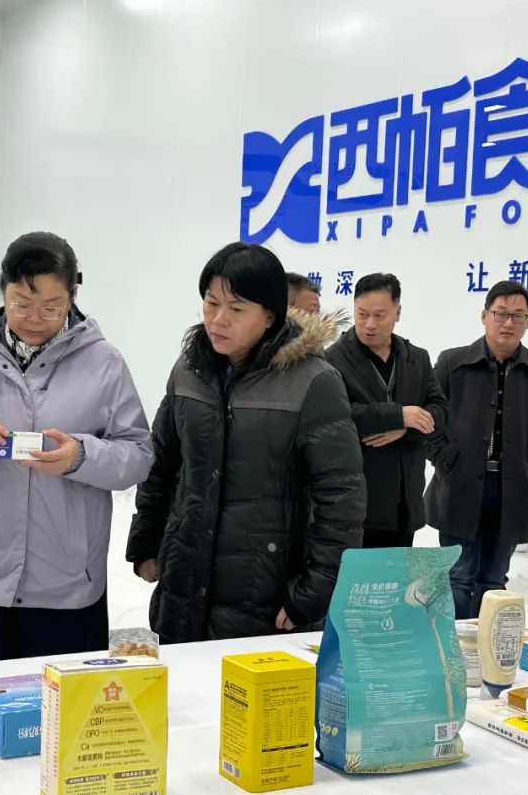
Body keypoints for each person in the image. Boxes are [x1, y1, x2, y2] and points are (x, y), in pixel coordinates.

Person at [0, 231, 153, 663]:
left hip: (67, 581)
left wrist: (81, 456)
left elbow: (137, 455)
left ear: (72, 296)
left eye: (52, 307)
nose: (35, 318)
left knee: (65, 700)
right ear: (3, 291)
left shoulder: (103, 363)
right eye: (21, 304)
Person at [126, 242, 366, 644]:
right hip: (184, 580)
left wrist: (314, 592)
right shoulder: (189, 369)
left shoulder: (313, 381)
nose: (218, 319)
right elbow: (162, 461)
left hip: (266, 594)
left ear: (270, 315)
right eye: (211, 303)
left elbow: (341, 498)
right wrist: (146, 541)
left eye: (236, 309)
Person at [425, 281, 528, 619]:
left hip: (513, 488)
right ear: (484, 315)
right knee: (458, 578)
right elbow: (430, 419)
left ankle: (486, 648)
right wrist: (445, 461)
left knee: (494, 581)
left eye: (518, 316)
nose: (508, 323)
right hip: (459, 485)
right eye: (500, 314)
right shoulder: (452, 362)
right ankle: (455, 648)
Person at [325, 273, 446, 548]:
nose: (370, 324)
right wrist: (397, 416)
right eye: (362, 314)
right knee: (355, 576)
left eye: (379, 316)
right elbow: (334, 416)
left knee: (396, 574)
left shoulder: (417, 358)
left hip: (404, 501)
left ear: (397, 313)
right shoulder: (333, 359)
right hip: (356, 504)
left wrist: (404, 429)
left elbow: (440, 412)